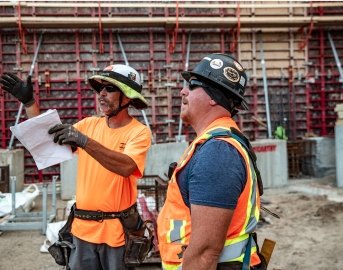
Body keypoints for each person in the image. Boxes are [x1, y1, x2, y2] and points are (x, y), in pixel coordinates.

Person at [0, 64, 152, 270]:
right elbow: (47, 142)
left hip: (117, 233)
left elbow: (126, 166)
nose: (102, 94)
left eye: (109, 88)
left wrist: (85, 142)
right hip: (81, 231)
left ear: (128, 97)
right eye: (100, 89)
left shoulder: (139, 132)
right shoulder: (89, 125)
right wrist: (29, 103)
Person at [157, 53, 267, 270]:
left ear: (214, 97)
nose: (183, 91)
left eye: (192, 85)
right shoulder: (216, 143)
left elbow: (205, 252)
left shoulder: (217, 152)